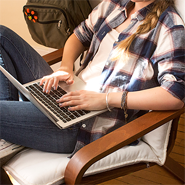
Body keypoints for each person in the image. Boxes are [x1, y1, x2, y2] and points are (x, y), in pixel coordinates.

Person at [0, 0, 185, 166]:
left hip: (85, 124)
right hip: (70, 89)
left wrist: (106, 100)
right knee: (2, 35)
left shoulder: (169, 27)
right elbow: (79, 36)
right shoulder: (114, 5)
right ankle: (9, 133)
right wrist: (66, 67)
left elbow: (174, 95)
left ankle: (9, 129)